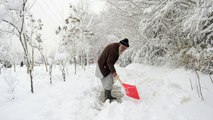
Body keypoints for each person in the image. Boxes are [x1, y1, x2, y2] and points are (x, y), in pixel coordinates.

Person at [95, 38, 129, 103]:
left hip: (106, 66)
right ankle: (107, 98)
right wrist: (113, 72)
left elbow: (110, 62)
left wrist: (113, 72)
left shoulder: (116, 47)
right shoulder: (114, 49)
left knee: (110, 81)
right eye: (123, 47)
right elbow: (109, 62)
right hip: (103, 66)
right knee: (107, 82)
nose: (123, 50)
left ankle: (109, 96)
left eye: (125, 48)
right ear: (120, 44)